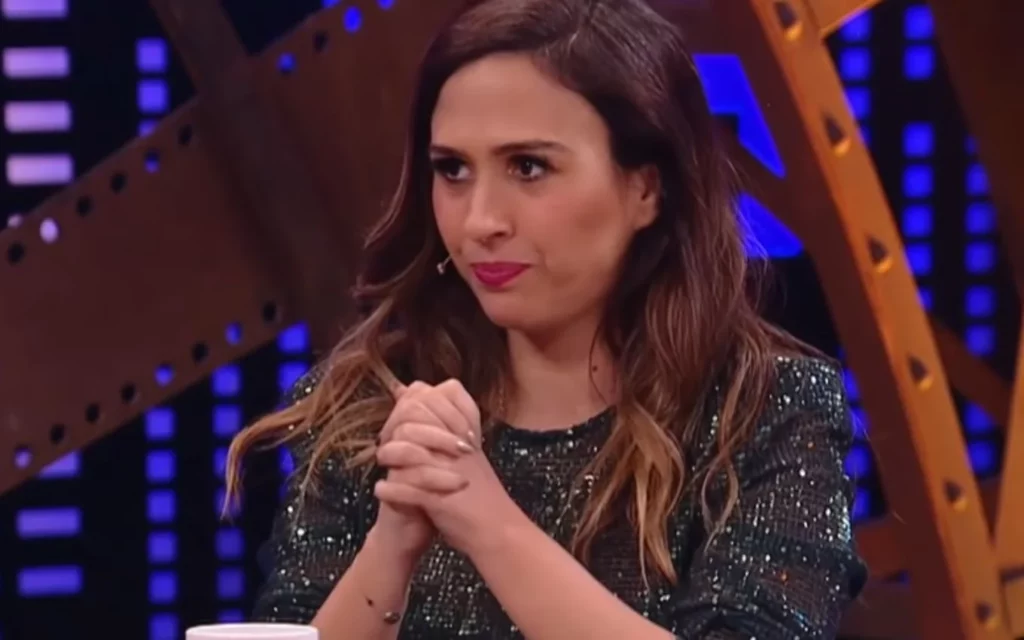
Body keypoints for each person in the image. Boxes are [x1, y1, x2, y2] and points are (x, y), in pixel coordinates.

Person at [225, 0, 867, 637]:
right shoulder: (369, 406)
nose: (480, 221)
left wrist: (489, 524)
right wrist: (391, 544)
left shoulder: (766, 412)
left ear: (646, 188)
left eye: (528, 167)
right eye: (452, 169)